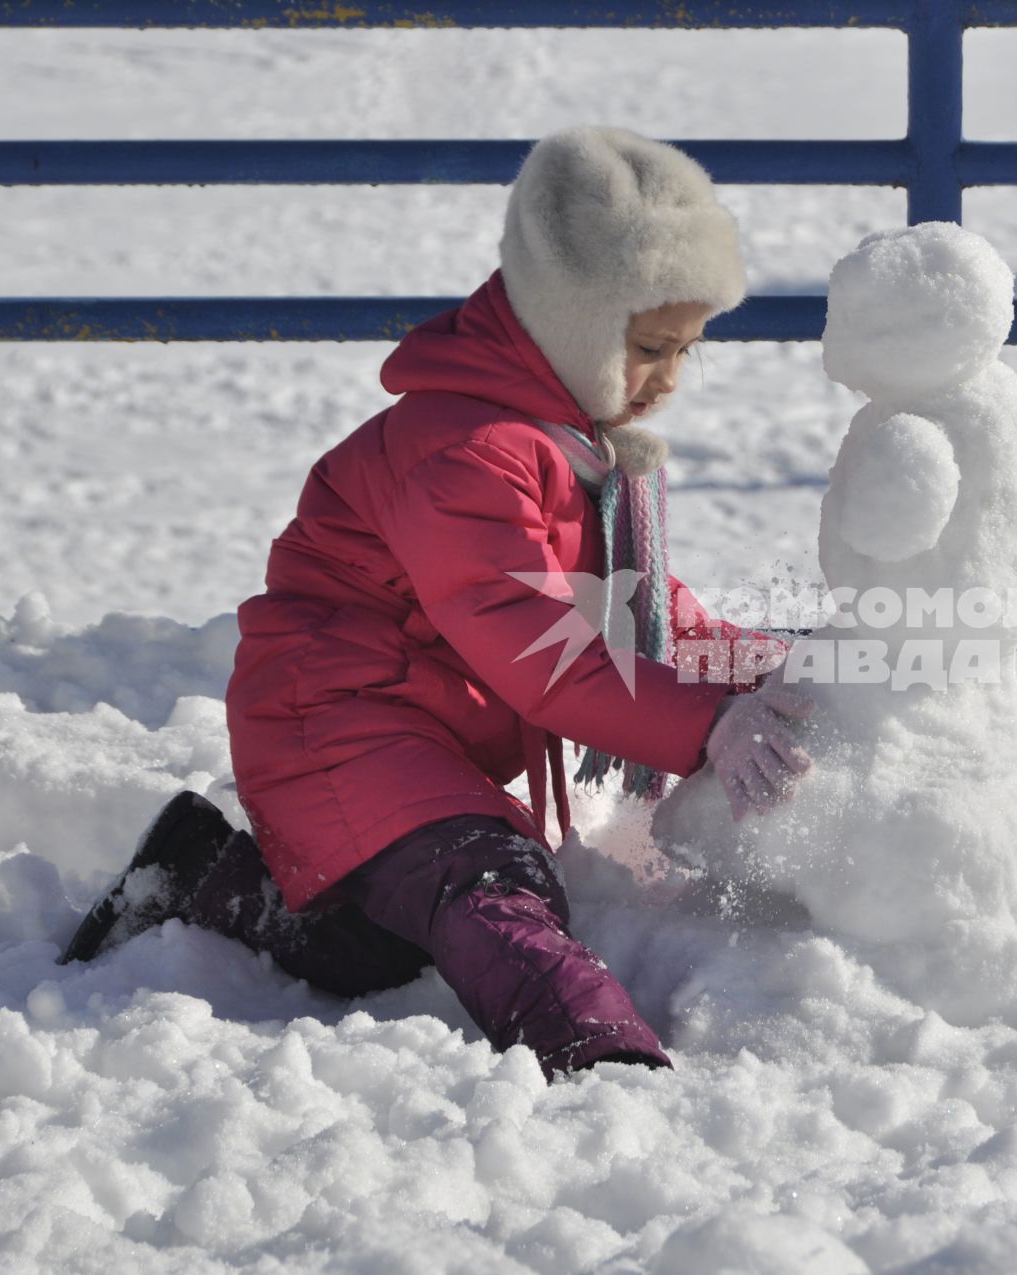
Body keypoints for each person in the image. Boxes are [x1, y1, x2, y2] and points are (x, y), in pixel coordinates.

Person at [59, 126, 815, 1077]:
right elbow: (548, 652)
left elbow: (647, 617)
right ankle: (599, 1052)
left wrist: (795, 670)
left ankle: (210, 879)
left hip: (409, 721)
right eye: (650, 347)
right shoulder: (464, 454)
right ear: (576, 319)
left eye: (686, 354)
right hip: (333, 717)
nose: (667, 380)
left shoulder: (574, 447)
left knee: (389, 938)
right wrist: (709, 725)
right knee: (484, 880)